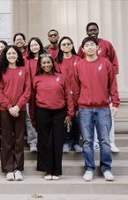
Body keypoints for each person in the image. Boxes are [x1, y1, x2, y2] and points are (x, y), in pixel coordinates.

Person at [72, 37, 120, 182]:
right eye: (87, 45)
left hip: (103, 108)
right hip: (85, 109)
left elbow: (113, 85)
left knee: (105, 141)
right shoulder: (78, 65)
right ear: (83, 49)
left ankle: (106, 168)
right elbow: (75, 88)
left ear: (97, 47)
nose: (90, 47)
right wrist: (76, 107)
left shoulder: (106, 63)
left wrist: (115, 103)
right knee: (87, 141)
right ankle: (89, 168)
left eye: (92, 45)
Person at [77, 22, 120, 153]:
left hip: (103, 86)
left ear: (98, 30)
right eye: (90, 30)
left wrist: (105, 80)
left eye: (94, 30)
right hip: (89, 90)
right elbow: (79, 64)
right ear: (86, 32)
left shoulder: (107, 44)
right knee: (90, 122)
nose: (92, 32)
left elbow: (114, 63)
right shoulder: (82, 48)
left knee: (108, 119)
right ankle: (95, 143)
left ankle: (111, 142)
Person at [32, 53, 74, 180]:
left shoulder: (61, 77)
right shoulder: (36, 78)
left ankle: (56, 171)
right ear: (40, 65)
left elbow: (68, 96)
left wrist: (70, 113)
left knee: (57, 141)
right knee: (44, 142)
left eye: (48, 62)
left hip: (59, 113)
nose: (46, 65)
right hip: (42, 112)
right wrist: (33, 116)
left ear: (53, 63)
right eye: (43, 63)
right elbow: (32, 99)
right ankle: (47, 170)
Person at [0, 45, 31, 181]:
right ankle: (8, 168)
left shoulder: (24, 70)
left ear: (18, 55)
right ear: (5, 56)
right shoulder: (1, 71)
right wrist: (9, 107)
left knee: (19, 139)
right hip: (6, 110)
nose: (11, 56)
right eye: (9, 53)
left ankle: (17, 168)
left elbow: (27, 90)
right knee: (7, 140)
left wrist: (18, 106)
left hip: (20, 110)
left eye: (14, 53)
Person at [55, 36, 83, 153]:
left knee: (76, 121)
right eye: (63, 44)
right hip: (62, 97)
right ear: (60, 47)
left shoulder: (79, 59)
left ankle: (75, 142)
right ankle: (65, 142)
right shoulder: (57, 61)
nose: (66, 46)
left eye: (68, 44)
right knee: (64, 120)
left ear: (72, 45)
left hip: (77, 95)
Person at [26, 37, 45, 152]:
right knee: (30, 118)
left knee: (43, 118)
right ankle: (33, 141)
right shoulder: (27, 61)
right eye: (32, 45)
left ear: (40, 45)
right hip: (31, 93)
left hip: (44, 93)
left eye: (36, 44)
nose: (34, 47)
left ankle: (42, 141)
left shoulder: (46, 59)